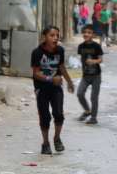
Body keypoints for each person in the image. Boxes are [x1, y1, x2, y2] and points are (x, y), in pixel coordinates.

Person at [31, 26, 74, 155]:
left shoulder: (60, 50)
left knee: (59, 114)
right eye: (52, 35)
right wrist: (50, 79)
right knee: (45, 117)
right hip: (42, 88)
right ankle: (45, 143)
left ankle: (56, 138)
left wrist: (69, 81)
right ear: (45, 37)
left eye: (57, 35)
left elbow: (61, 67)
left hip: (56, 88)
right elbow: (36, 73)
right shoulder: (37, 52)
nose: (55, 38)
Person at [76, 24, 104, 125]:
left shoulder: (96, 46)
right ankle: (87, 111)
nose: (86, 34)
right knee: (79, 93)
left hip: (96, 75)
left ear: (93, 34)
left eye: (89, 33)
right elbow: (82, 58)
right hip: (85, 75)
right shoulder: (81, 46)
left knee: (94, 97)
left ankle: (93, 117)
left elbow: (101, 59)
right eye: (85, 32)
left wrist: (93, 61)